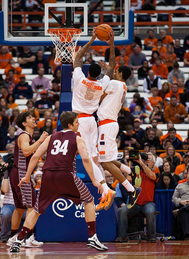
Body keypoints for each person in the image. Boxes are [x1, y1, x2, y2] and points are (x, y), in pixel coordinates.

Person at [9, 111, 107, 252]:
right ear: (70, 124)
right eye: (76, 122)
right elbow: (86, 159)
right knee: (89, 201)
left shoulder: (51, 137)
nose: (78, 124)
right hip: (66, 175)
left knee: (36, 210)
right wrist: (95, 180)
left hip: (47, 175)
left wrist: (27, 175)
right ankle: (92, 238)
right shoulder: (77, 138)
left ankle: (18, 242)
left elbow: (36, 155)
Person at [72, 27, 116, 211]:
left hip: (80, 121)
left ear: (88, 71)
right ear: (99, 74)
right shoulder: (101, 84)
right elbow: (112, 65)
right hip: (92, 120)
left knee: (87, 157)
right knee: (95, 157)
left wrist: (91, 41)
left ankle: (105, 189)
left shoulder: (80, 79)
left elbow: (77, 58)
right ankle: (104, 188)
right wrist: (111, 44)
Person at [97, 65, 141, 211]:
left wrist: (106, 73)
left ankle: (130, 189)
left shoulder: (115, 83)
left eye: (116, 72)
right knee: (106, 160)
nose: (114, 73)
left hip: (107, 125)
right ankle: (130, 171)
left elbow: (99, 94)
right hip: (108, 124)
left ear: (120, 73)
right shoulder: (120, 85)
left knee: (104, 163)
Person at [6, 111, 48, 247]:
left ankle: (12, 237)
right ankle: (28, 237)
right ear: (24, 123)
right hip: (20, 173)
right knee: (31, 206)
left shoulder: (27, 137)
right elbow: (26, 151)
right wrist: (41, 141)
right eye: (30, 118)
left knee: (19, 208)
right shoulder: (24, 135)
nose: (34, 119)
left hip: (19, 172)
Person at [115, 152, 160, 243]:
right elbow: (127, 172)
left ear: (153, 163)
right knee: (123, 210)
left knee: (150, 211)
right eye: (145, 158)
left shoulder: (156, 173)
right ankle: (122, 236)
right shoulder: (137, 172)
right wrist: (131, 161)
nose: (147, 159)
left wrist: (141, 163)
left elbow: (151, 176)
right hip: (135, 203)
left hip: (148, 203)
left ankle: (151, 236)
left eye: (149, 158)